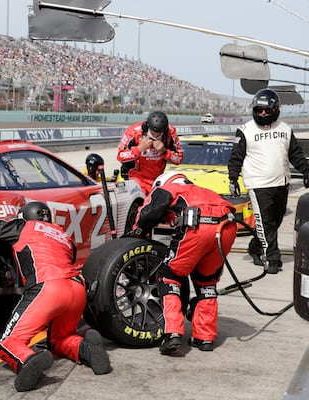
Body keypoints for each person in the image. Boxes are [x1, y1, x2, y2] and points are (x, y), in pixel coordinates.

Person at [0, 193, 111, 392]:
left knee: (8, 343)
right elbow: (69, 258)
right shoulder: (63, 236)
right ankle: (86, 349)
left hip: (48, 287)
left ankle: (28, 360)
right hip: (76, 288)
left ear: (25, 216)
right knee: (59, 340)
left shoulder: (24, 227)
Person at [132, 172, 237, 354]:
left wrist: (136, 232)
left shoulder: (167, 188)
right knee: (207, 283)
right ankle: (204, 338)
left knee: (169, 276)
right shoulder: (205, 190)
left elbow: (148, 214)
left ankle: (172, 333)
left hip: (197, 227)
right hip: (226, 230)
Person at [228, 88, 309, 274]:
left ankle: (256, 247)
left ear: (276, 109)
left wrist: (306, 171)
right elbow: (236, 157)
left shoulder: (285, 129)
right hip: (258, 185)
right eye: (259, 110)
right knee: (265, 223)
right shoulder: (245, 130)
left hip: (281, 183)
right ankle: (272, 258)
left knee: (275, 221)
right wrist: (233, 178)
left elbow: (295, 154)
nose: (263, 113)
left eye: (267, 110)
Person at [116, 111, 184, 195]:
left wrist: (164, 151)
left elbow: (179, 159)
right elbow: (120, 156)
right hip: (136, 178)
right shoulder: (133, 132)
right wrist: (138, 149)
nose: (155, 136)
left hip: (158, 179)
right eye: (153, 133)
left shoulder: (171, 132)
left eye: (158, 134)